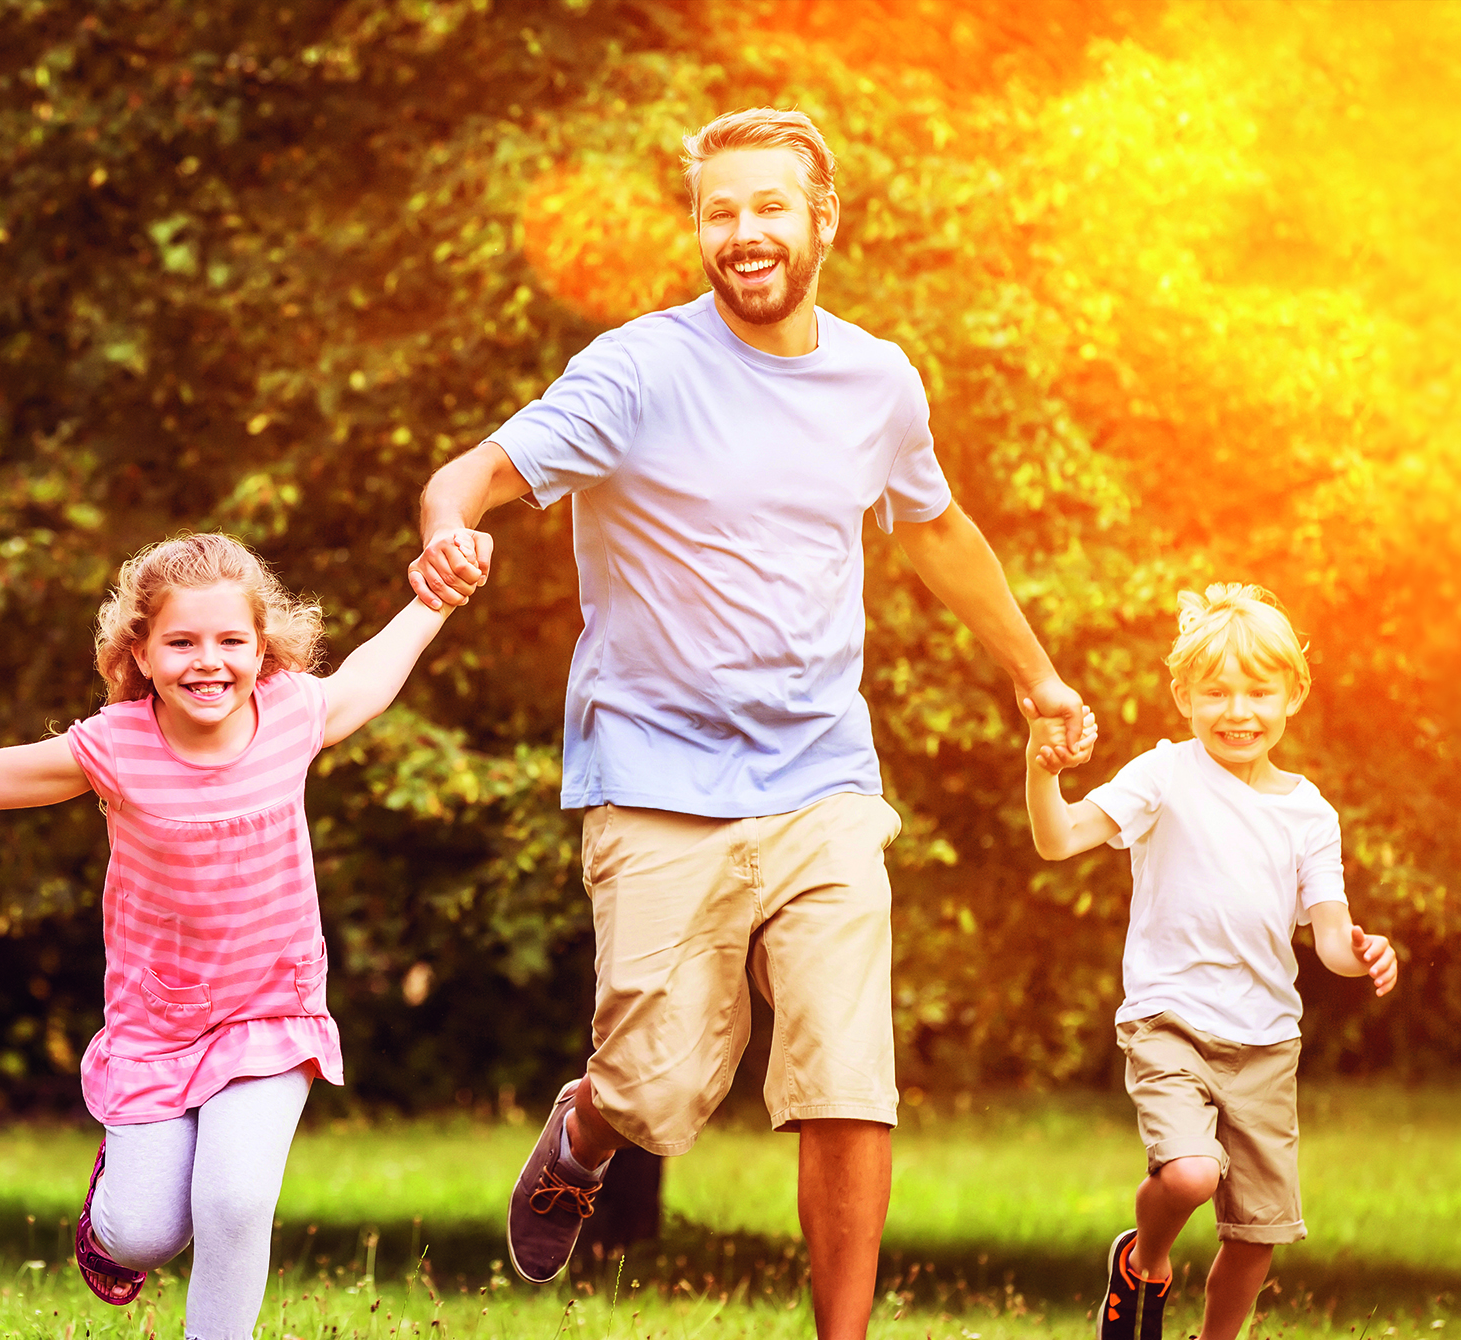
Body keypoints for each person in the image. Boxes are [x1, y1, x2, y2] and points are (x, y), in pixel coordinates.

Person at [407, 107, 1091, 1339]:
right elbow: (476, 474)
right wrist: (448, 527)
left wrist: (1034, 675)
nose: (743, 233)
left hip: (821, 774)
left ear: (822, 220)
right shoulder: (635, 370)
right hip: (656, 776)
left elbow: (933, 527)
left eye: (769, 206)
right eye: (720, 211)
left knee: (846, 1075)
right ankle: (586, 1128)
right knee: (657, 1083)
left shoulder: (877, 380)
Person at [0, 532, 453, 1340]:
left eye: (232, 640)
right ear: (142, 650)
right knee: (143, 1234)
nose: (211, 662)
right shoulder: (116, 746)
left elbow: (372, 674)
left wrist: (437, 596)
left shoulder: (293, 715)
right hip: (157, 1026)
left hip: (271, 1008)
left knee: (235, 1201)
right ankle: (112, 1215)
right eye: (183, 642)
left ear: (262, 646)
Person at [1022, 584, 1398, 1340]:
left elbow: (1328, 935)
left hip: (1266, 1043)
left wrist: (1363, 955)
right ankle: (1144, 1263)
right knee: (1191, 1174)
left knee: (1258, 1234)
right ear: (1183, 695)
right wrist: (1041, 770)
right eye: (1217, 692)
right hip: (1170, 1023)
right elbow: (1058, 838)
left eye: (1259, 692)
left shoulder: (1309, 814)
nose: (1238, 711)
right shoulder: (1163, 777)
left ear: (1293, 696)